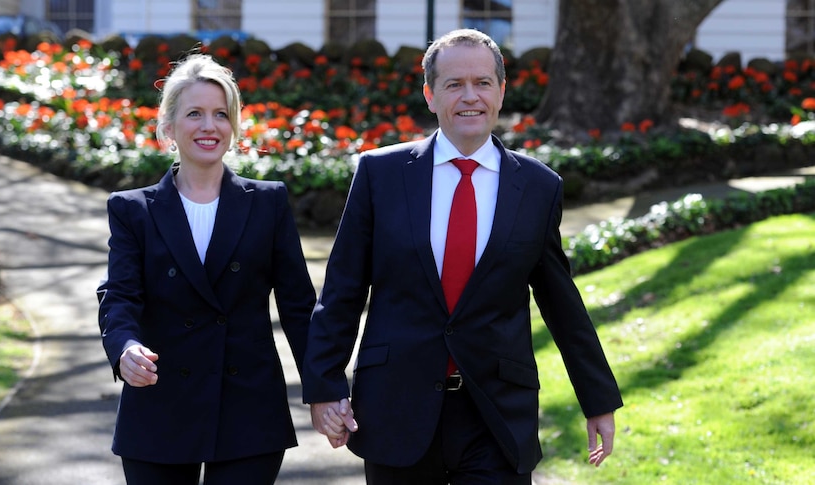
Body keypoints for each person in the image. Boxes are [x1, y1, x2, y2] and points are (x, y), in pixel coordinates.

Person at [302, 29, 623, 483]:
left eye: (482, 83)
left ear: (501, 91)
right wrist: (324, 385)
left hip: (496, 414)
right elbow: (342, 290)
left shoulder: (538, 187)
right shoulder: (381, 174)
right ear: (430, 96)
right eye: (454, 84)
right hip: (397, 408)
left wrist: (597, 399)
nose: (469, 96)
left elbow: (560, 301)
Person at [96, 53, 316, 485]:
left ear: (233, 127)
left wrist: (325, 389)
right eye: (194, 113)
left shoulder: (268, 202)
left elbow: (298, 305)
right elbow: (119, 294)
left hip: (249, 406)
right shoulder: (131, 209)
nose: (208, 126)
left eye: (220, 114)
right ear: (169, 126)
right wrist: (123, 348)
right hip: (158, 403)